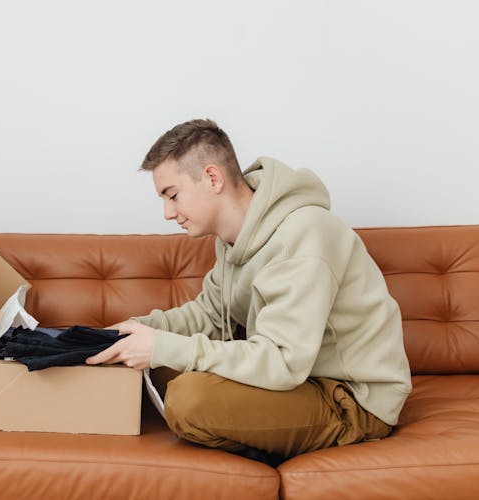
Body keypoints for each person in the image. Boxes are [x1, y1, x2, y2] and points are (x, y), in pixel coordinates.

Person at [86, 119, 412, 462]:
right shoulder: (234, 239)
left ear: (212, 178)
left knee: (189, 400)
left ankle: (263, 439)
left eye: (172, 195)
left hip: (349, 398)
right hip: (301, 381)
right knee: (152, 367)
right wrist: (135, 332)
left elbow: (283, 360)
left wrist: (162, 346)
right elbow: (209, 314)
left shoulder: (300, 236)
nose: (168, 213)